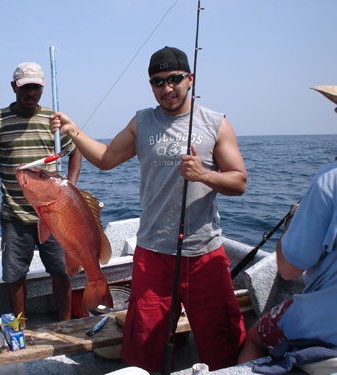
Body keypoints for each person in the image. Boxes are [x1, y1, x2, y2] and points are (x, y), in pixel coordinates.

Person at [50, 46, 248, 372]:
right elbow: (105, 158)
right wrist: (73, 131)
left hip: (205, 256)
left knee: (222, 343)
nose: (166, 89)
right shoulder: (142, 122)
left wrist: (205, 175)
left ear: (190, 79)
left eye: (174, 79)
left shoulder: (216, 123)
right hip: (153, 254)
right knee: (144, 346)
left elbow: (239, 182)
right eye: (157, 82)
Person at [238, 86, 337, 365]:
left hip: (327, 326)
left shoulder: (329, 181)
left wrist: (292, 221)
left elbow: (289, 269)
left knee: (257, 335)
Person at [0, 61, 82, 326]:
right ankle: (20, 325)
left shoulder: (54, 121)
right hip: (14, 215)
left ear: (43, 88)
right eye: (25, 88)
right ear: (14, 87)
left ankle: (66, 324)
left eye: (36, 87)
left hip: (53, 214)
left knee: (60, 270)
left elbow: (76, 150)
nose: (31, 93)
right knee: (14, 275)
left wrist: (69, 187)